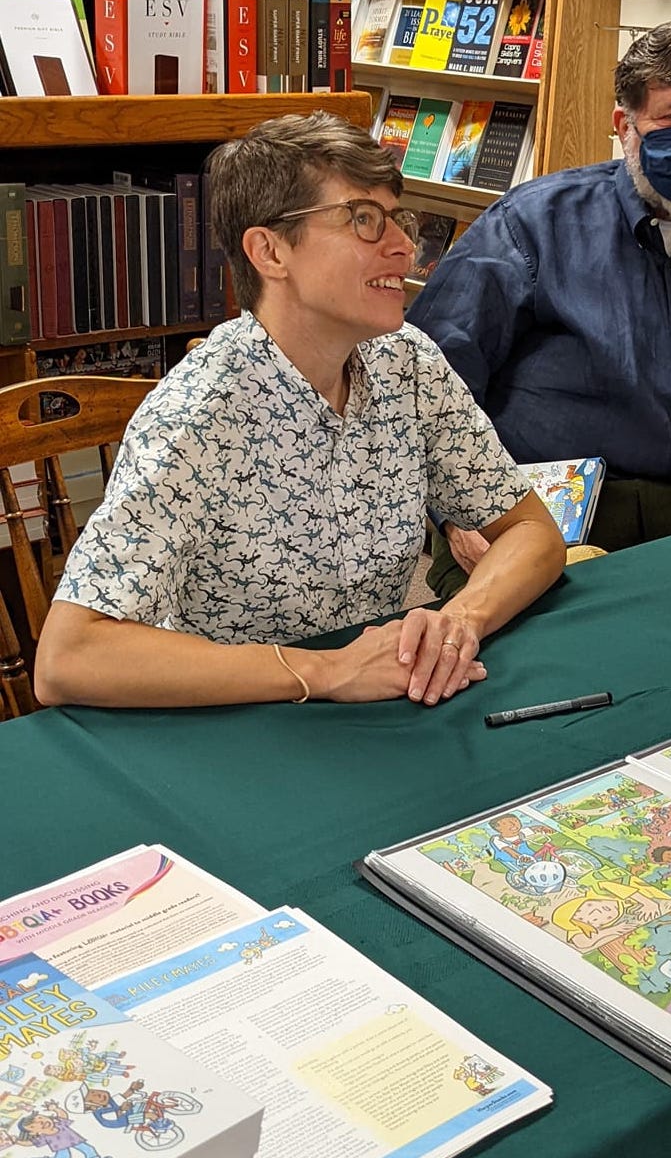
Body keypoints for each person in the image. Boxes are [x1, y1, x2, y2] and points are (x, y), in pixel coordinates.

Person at [34, 112, 565, 710]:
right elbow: (67, 657)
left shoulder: (407, 362)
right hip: (236, 727)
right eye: (362, 219)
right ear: (269, 252)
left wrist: (459, 621)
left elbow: (532, 532)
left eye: (399, 219)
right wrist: (327, 671)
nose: (403, 246)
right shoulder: (198, 416)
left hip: (385, 706)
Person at [407, 19, 671, 598]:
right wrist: (457, 513)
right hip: (534, 526)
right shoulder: (531, 226)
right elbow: (425, 380)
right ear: (625, 126)